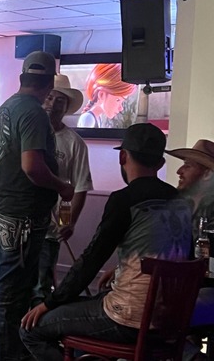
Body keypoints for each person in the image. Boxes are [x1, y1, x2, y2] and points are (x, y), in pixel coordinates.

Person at [20, 123, 192, 361]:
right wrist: (119, 269)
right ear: (161, 164)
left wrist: (49, 303)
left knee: (31, 329)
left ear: (123, 156)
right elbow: (176, 257)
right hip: (170, 321)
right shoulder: (181, 202)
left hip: (128, 318)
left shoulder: (124, 200)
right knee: (88, 305)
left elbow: (92, 259)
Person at [0, 51, 74, 361]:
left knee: (9, 287)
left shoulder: (5, 108)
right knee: (13, 290)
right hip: (26, 212)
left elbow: (2, 158)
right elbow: (32, 167)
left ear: (22, 77)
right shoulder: (34, 113)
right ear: (49, 82)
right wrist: (61, 186)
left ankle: (9, 352)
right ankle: (7, 355)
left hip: (8, 206)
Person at [32, 74, 94, 307]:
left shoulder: (74, 143)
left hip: (50, 229)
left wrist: (70, 222)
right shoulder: (29, 132)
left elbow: (80, 186)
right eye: (49, 98)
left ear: (66, 107)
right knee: (15, 285)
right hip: (21, 224)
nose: (53, 105)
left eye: (60, 101)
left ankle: (34, 336)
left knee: (41, 287)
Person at [165, 139, 214, 360]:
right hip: (192, 289)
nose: (179, 170)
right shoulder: (183, 208)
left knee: (157, 315)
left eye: (188, 164)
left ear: (206, 175)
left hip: (208, 293)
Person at [76, 64, 136, 128]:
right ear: (101, 95)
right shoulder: (88, 119)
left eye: (122, 102)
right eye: (118, 100)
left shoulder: (98, 118)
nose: (121, 108)